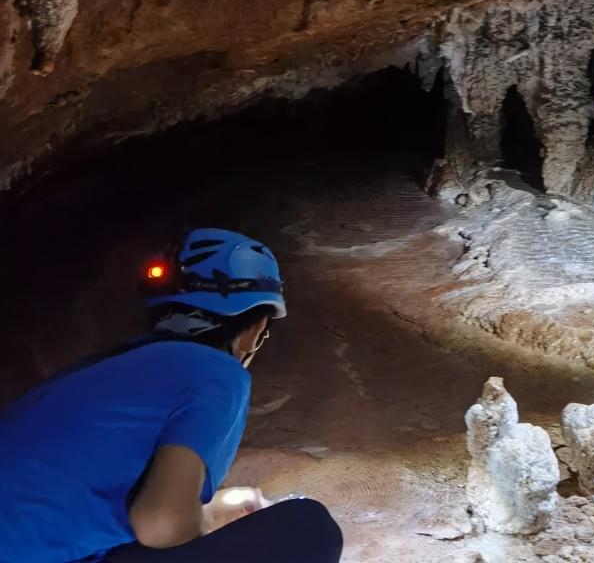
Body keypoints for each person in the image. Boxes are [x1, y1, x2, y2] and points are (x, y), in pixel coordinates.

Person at [0, 228, 343, 562]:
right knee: (307, 527)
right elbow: (159, 524)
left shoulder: (95, 370)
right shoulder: (217, 373)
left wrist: (204, 507)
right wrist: (207, 520)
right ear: (254, 331)